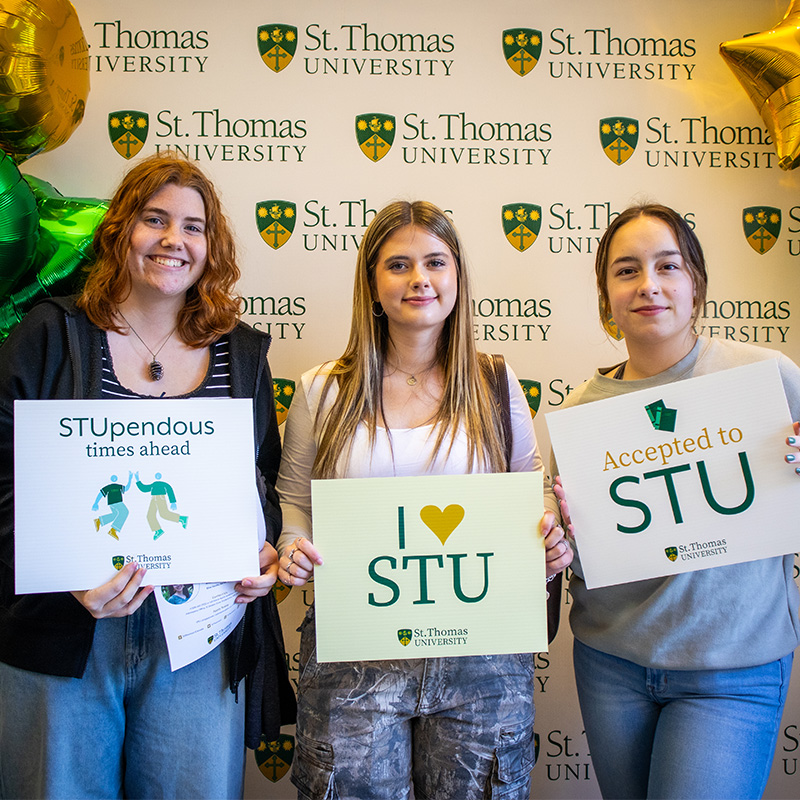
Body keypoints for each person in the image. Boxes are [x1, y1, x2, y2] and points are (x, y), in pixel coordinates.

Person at [0, 152, 295, 798]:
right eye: (154, 220)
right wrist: (60, 574)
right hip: (65, 636)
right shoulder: (50, 335)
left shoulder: (241, 353)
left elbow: (261, 486)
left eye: (192, 227)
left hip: (195, 642)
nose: (173, 240)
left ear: (211, 247)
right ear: (119, 232)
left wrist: (261, 546)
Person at [275, 200, 573, 800]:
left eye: (435, 262)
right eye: (399, 264)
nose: (419, 279)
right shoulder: (322, 388)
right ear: (372, 283)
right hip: (352, 658)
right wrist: (292, 545)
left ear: (457, 276)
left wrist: (547, 536)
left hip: (483, 657)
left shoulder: (495, 380)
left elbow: (531, 486)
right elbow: (294, 500)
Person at [553, 203, 800, 799]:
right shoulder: (579, 413)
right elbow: (581, 554)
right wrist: (559, 542)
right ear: (605, 296)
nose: (648, 286)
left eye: (668, 266)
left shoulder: (765, 376)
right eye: (626, 271)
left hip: (732, 668)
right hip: (612, 665)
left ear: (696, 283)